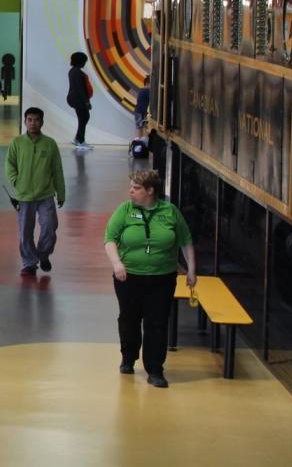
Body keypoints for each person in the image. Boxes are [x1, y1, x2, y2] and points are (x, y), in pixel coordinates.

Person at [103, 169, 196, 388]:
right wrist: (117, 263)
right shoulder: (124, 211)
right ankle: (128, 356)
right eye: (131, 187)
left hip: (161, 278)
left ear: (150, 191)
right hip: (128, 277)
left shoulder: (170, 212)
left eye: (136, 188)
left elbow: (185, 241)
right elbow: (110, 239)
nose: (131, 192)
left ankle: (155, 369)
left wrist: (191, 269)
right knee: (129, 318)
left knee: (157, 322)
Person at [6, 107, 66, 276]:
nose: (33, 123)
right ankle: (29, 263)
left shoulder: (50, 144)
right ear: (24, 122)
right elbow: (9, 164)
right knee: (25, 231)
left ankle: (44, 254)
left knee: (49, 227)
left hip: (45, 194)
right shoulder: (17, 143)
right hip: (23, 196)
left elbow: (57, 170)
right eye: (30, 120)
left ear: (42, 122)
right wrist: (15, 181)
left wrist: (61, 193)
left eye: (37, 120)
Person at [67, 52, 94, 151]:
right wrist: (86, 102)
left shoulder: (72, 71)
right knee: (84, 118)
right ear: (80, 61)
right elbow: (80, 89)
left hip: (74, 98)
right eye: (84, 61)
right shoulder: (77, 72)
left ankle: (78, 139)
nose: (85, 63)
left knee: (84, 118)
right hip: (77, 99)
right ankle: (81, 141)